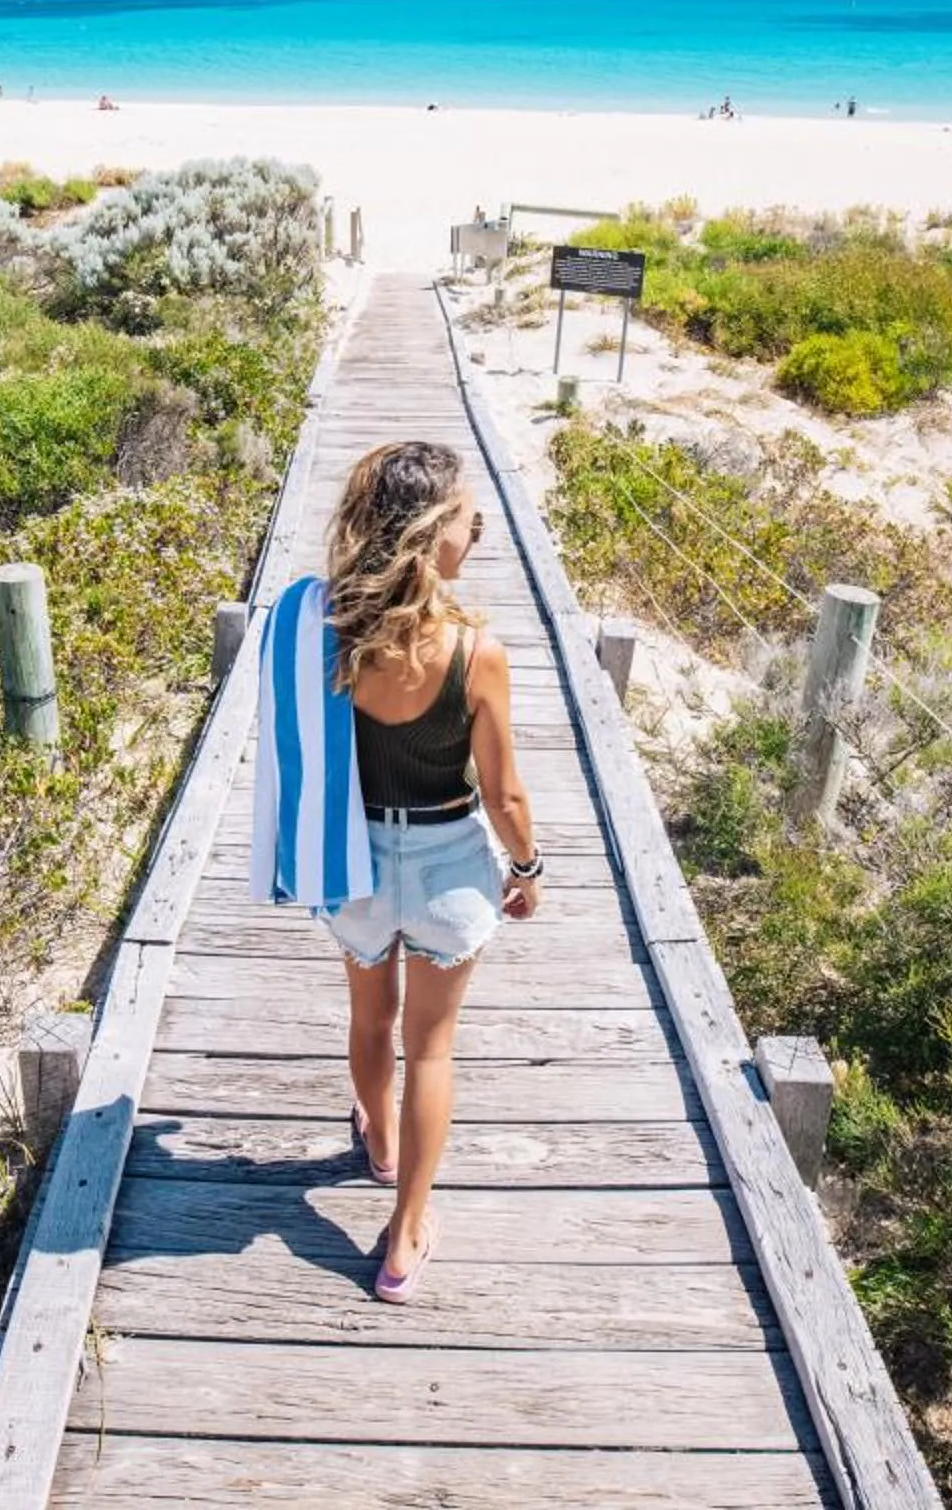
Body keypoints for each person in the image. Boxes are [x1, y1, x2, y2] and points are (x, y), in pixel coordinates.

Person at [315, 442, 540, 1303]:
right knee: (431, 1047)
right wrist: (528, 868)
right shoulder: (476, 650)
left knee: (371, 1020)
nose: (476, 531)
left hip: (356, 864)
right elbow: (505, 790)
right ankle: (407, 1232)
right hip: (448, 861)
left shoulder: (331, 632)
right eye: (465, 519)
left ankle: (377, 1144)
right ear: (426, 535)